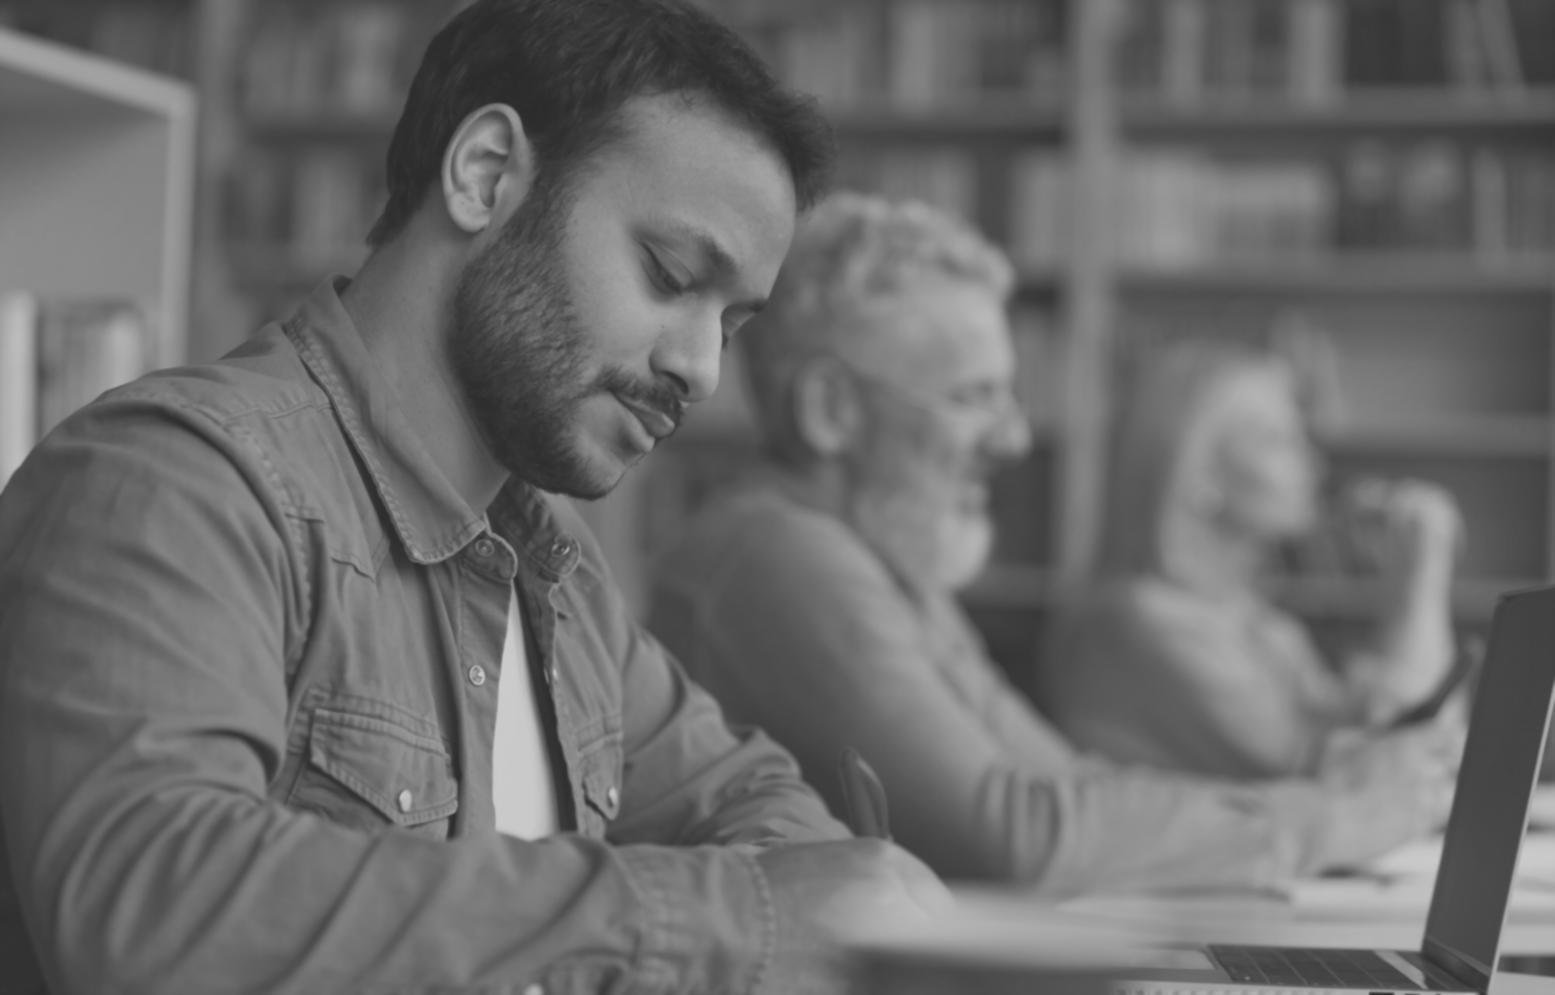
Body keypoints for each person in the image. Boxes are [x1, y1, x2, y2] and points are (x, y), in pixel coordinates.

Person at [0, 3, 946, 993]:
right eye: (669, 274)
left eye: (733, 323)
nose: (701, 367)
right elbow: (158, 911)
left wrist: (811, 900)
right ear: (486, 172)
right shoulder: (174, 481)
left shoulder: (560, 576)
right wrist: (730, 915)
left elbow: (749, 795)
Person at [647, 191, 1462, 894]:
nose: (1012, 438)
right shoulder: (776, 552)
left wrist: (1322, 810)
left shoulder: (882, 565)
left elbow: (1066, 781)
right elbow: (1013, 835)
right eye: (973, 396)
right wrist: (1332, 815)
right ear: (832, 409)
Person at [1038, 340, 1465, 780]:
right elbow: (1345, 777)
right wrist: (1424, 573)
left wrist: (1413, 580)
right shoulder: (1139, 622)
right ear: (1199, 474)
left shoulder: (1262, 624)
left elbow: (1404, 735)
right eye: (1277, 439)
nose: (1313, 462)